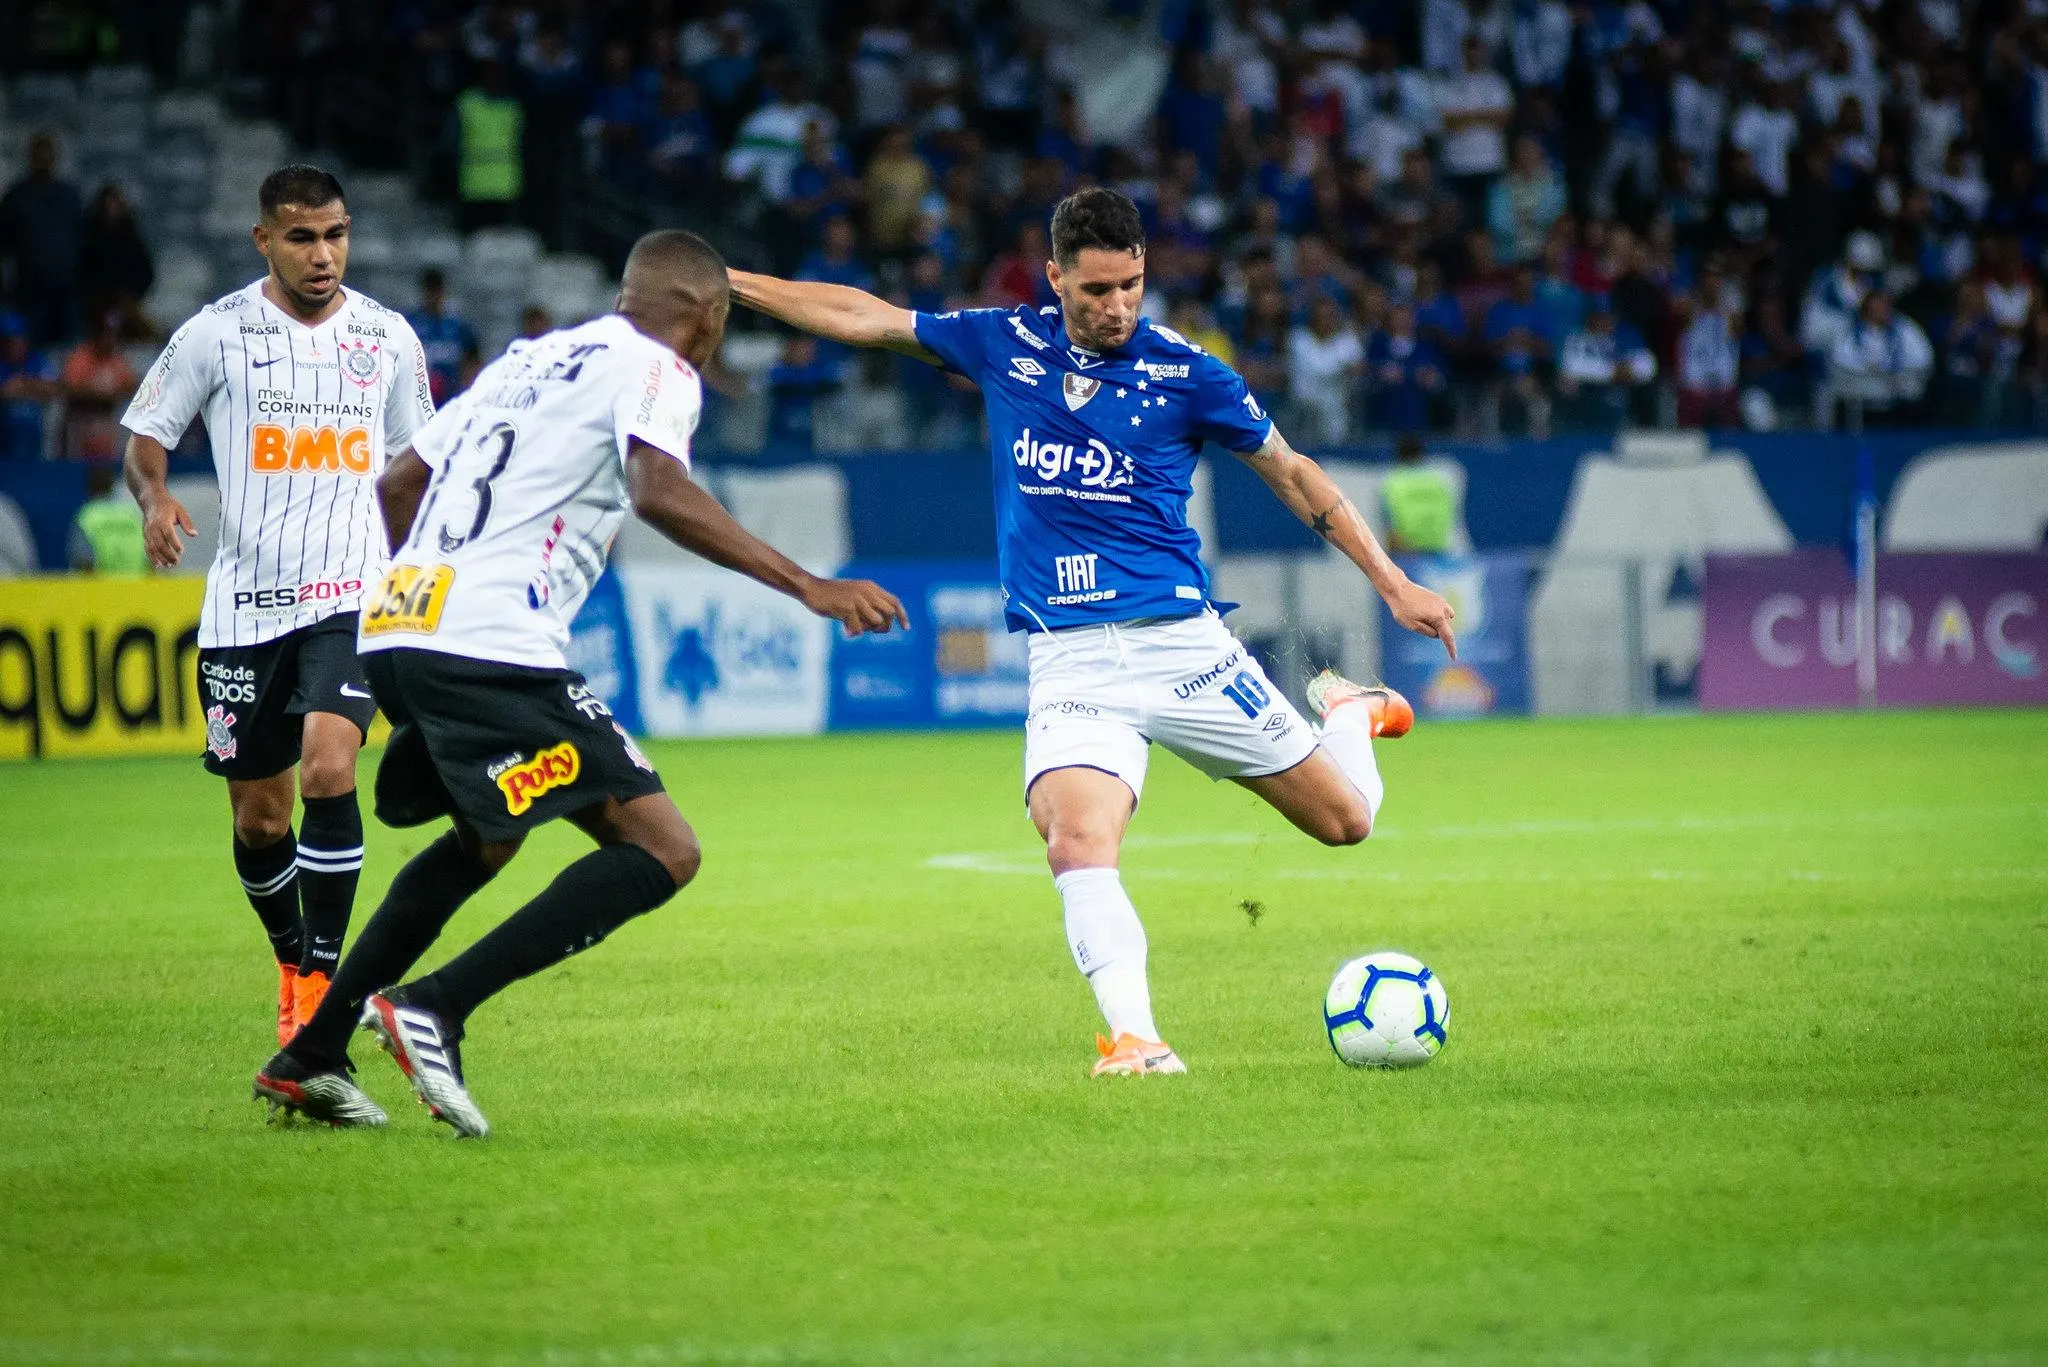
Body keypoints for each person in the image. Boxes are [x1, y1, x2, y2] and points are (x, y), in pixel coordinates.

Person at [728, 188, 1456, 1077]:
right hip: (1072, 660)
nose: (1117, 307)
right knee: (1075, 838)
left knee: (1348, 823)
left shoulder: (1189, 373)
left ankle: (1347, 711)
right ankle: (1136, 1040)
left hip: (1183, 648)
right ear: (1055, 278)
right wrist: (727, 282)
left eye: (1132, 286)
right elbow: (866, 316)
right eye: (1097, 289)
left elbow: (1294, 474)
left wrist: (1393, 581)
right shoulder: (1004, 342)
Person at [251, 230, 907, 1134]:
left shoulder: (531, 359)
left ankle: (312, 1052)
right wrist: (807, 582)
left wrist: (434, 594)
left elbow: (399, 484)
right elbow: (658, 491)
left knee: (490, 840)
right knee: (663, 847)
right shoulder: (660, 368)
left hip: (399, 621)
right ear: (707, 318)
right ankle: (433, 1007)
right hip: (491, 641)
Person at [122, 166, 436, 1050]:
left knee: (331, 770)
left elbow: (418, 464)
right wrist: (154, 498)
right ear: (264, 240)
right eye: (302, 237)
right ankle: (292, 961)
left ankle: (324, 986)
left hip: (351, 595)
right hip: (242, 610)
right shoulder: (212, 335)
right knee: (261, 818)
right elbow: (146, 438)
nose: (323, 253)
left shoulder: (388, 337)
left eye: (336, 234)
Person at [0, 133, 85, 347]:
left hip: (67, 291)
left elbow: (82, 240)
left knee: (69, 348)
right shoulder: (17, 198)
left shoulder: (69, 196)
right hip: (30, 292)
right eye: (39, 153)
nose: (44, 158)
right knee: (29, 349)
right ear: (31, 157)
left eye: (48, 153)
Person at [60, 307, 138, 463]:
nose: (110, 339)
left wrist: (109, 394)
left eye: (113, 334)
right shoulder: (81, 356)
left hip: (107, 420)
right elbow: (71, 388)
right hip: (81, 420)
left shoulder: (116, 359)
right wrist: (101, 394)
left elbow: (130, 386)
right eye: (106, 334)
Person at [406, 268, 481, 405]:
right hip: (418, 399)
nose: (433, 297)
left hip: (451, 398)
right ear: (424, 292)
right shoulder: (411, 324)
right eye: (430, 291)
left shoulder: (458, 326)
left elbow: (472, 361)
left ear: (442, 292)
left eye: (436, 291)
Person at [1380, 433, 1457, 555]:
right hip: (1438, 551)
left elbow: (1389, 522)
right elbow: (1450, 514)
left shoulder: (1393, 481)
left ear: (1398, 455)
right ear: (1421, 455)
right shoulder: (1438, 482)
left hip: (1406, 554)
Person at [69, 464, 148, 573]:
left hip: (102, 588)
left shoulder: (87, 516)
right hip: (136, 587)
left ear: (89, 487)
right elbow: (150, 558)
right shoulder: (131, 514)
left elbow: (84, 560)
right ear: (113, 485)